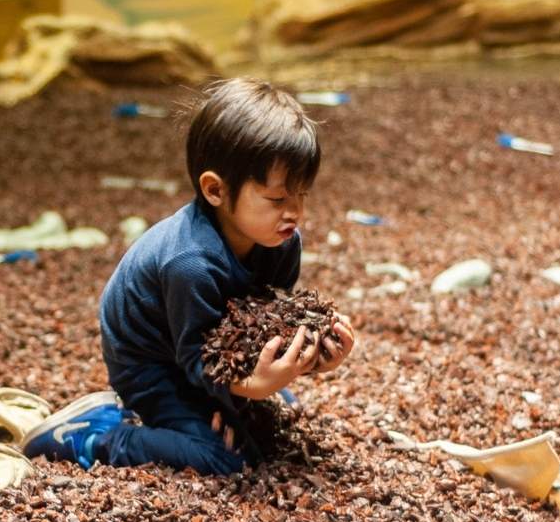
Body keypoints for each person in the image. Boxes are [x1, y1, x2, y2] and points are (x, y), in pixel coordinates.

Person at [25, 77, 358, 475]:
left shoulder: (283, 242)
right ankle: (98, 434)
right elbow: (197, 357)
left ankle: (216, 406)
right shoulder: (190, 263)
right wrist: (251, 387)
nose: (295, 212)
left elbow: (262, 325)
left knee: (272, 431)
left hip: (200, 341)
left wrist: (317, 357)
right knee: (225, 460)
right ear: (216, 190)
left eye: (302, 194)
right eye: (277, 199)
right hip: (152, 364)